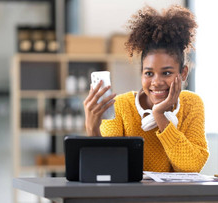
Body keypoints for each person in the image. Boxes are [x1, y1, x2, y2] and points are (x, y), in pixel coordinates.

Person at [83, 5, 209, 172]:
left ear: (183, 73)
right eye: (149, 73)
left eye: (166, 73)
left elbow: (191, 167)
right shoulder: (121, 106)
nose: (156, 82)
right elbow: (109, 168)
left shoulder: (192, 104)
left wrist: (160, 115)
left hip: (174, 198)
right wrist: (92, 130)